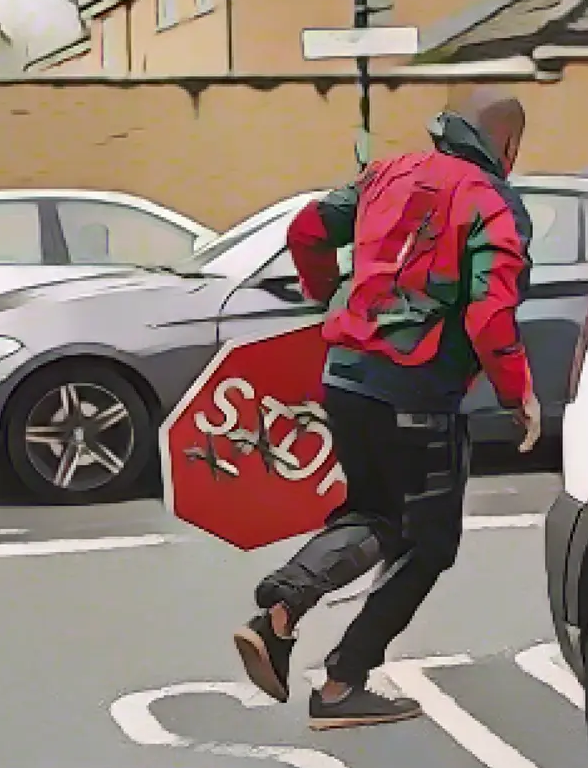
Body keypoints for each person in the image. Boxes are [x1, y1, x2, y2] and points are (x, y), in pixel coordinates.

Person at [232, 87, 541, 730]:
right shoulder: (493, 202)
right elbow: (490, 314)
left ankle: (283, 614)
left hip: (345, 378)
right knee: (429, 543)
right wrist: (519, 395)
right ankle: (342, 681)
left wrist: (331, 303)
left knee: (376, 514)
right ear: (506, 146)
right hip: (418, 391)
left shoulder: (385, 174)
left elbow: (308, 230)